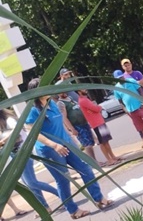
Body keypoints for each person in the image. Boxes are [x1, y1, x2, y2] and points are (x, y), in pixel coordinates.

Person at [24, 78, 113, 219]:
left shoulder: (51, 103)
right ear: (37, 90)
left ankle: (99, 199)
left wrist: (73, 142)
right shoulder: (33, 110)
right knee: (63, 180)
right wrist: (53, 145)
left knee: (86, 170)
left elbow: (61, 125)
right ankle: (73, 210)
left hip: (66, 144)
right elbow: (31, 132)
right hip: (50, 150)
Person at [0, 108, 58, 215]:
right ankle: (45, 207)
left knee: (31, 182)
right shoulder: (2, 125)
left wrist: (3, 141)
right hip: (15, 155)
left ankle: (61, 194)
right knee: (29, 183)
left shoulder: (9, 120)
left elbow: (16, 129)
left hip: (23, 153)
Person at [76, 89, 121, 166]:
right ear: (79, 92)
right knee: (102, 142)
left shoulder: (85, 99)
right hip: (96, 123)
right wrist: (99, 107)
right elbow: (95, 108)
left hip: (99, 121)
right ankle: (109, 159)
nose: (85, 90)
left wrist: (97, 107)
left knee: (106, 140)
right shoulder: (83, 100)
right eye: (83, 89)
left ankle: (113, 156)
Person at [57, 92, 100, 164]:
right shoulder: (61, 103)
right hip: (77, 126)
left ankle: (95, 161)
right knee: (87, 144)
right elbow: (64, 118)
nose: (63, 93)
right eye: (61, 92)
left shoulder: (70, 99)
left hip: (84, 123)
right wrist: (72, 129)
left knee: (91, 142)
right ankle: (94, 162)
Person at [113, 70, 143, 139]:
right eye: (118, 78)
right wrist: (125, 109)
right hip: (131, 110)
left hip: (140, 106)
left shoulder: (130, 81)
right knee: (141, 127)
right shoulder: (116, 88)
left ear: (123, 76)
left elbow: (140, 90)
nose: (121, 79)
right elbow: (120, 101)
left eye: (121, 77)